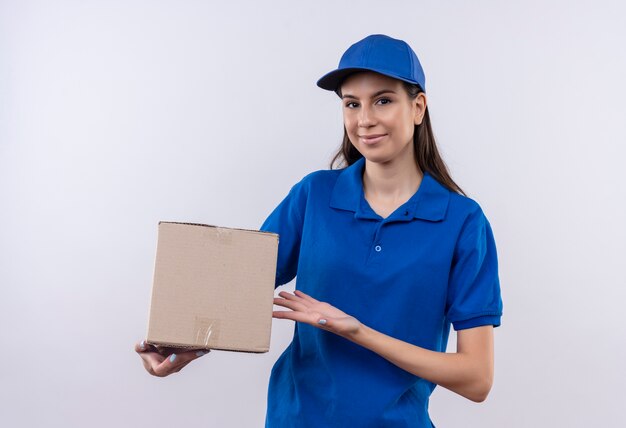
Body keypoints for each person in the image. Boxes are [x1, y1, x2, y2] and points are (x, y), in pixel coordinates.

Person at [136, 34, 503, 428]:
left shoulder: (463, 222)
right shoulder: (314, 195)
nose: (364, 119)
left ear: (417, 107)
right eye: (351, 103)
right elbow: (237, 293)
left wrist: (357, 331)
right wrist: (185, 347)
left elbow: (476, 379)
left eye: (383, 100)